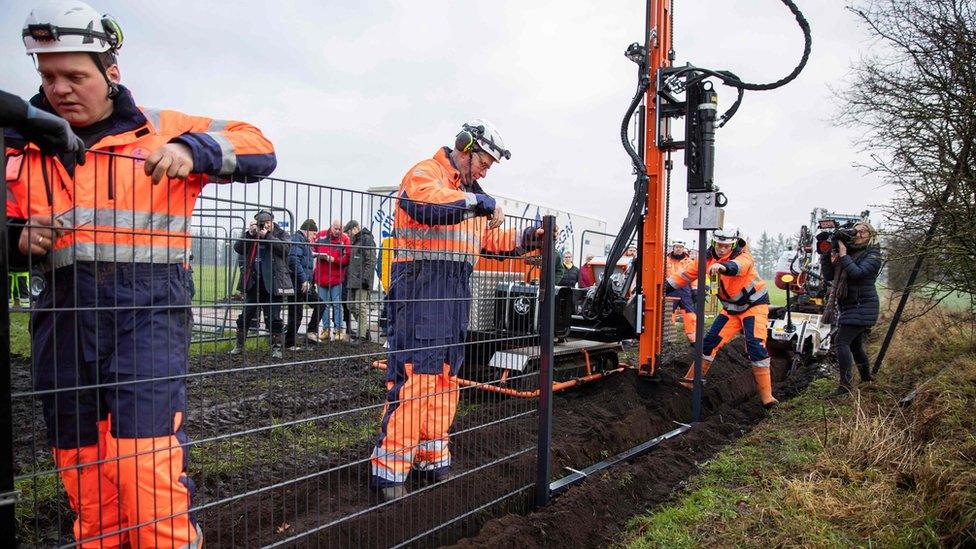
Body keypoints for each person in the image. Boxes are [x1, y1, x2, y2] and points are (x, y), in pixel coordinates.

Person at [4, 2, 276, 547]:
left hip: (148, 311)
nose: (60, 88)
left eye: (74, 75)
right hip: (61, 314)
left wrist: (191, 150)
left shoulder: (161, 129)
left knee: (144, 460)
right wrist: (14, 241)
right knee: (79, 462)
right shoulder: (19, 143)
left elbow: (259, 145)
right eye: (47, 75)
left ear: (111, 72)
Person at [370, 118, 544, 501]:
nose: (485, 170)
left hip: (452, 293)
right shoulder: (427, 174)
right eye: (483, 161)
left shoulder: (469, 195)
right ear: (465, 149)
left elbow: (490, 241)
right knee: (417, 376)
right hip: (420, 289)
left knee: (446, 377)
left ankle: (432, 457)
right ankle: (391, 471)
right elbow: (425, 204)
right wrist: (481, 202)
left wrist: (528, 239)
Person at [665, 225, 778, 408]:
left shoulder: (744, 256)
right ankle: (690, 382)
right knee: (709, 343)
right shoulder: (706, 259)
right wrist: (662, 287)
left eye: (726, 246)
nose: (722, 248)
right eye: (718, 244)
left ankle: (767, 398)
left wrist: (723, 266)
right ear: (713, 242)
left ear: (733, 245)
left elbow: (738, 267)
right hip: (731, 310)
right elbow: (684, 276)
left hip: (754, 307)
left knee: (755, 347)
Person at [821, 221, 882, 398]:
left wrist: (844, 254)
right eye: (856, 231)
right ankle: (866, 380)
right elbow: (830, 276)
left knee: (841, 342)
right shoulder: (852, 252)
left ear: (871, 236)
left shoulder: (873, 255)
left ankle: (845, 387)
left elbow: (857, 273)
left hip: (862, 305)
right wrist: (827, 254)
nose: (859, 234)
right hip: (850, 306)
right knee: (855, 346)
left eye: (864, 232)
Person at [232, 211, 292, 358]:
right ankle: (239, 345)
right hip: (254, 283)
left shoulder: (281, 234)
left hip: (273, 284)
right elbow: (238, 248)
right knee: (245, 316)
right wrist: (249, 234)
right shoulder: (252, 235)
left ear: (272, 222)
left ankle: (276, 349)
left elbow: (285, 250)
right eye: (261, 223)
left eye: (267, 223)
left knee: (274, 318)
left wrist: (267, 236)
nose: (264, 226)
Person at [285, 219, 322, 348]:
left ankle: (311, 333)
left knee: (320, 304)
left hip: (305, 284)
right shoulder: (297, 240)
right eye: (313, 234)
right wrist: (304, 279)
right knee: (296, 314)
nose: (314, 237)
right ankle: (289, 344)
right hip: (297, 284)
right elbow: (293, 260)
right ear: (307, 231)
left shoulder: (303, 241)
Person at [313, 219, 350, 341]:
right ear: (331, 226)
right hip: (321, 276)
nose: (338, 231)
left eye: (340, 229)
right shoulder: (320, 236)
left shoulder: (345, 240)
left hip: (336, 277)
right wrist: (317, 255)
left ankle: (338, 329)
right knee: (323, 305)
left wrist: (334, 260)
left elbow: (347, 259)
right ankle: (325, 329)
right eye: (336, 228)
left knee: (337, 304)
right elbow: (311, 249)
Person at [343, 219, 377, 345]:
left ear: (355, 228)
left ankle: (361, 336)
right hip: (353, 279)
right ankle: (364, 331)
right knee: (350, 305)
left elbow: (371, 260)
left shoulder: (366, 240)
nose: (349, 234)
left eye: (349, 231)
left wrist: (365, 278)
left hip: (362, 280)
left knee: (360, 306)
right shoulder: (355, 241)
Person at [666, 241, 698, 343]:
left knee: (689, 315)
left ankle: (693, 339)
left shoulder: (689, 261)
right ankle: (668, 339)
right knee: (668, 315)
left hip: (685, 291)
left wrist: (694, 290)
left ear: (684, 248)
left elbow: (694, 276)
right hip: (669, 290)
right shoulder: (665, 261)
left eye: (681, 247)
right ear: (673, 247)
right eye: (677, 247)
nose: (679, 249)